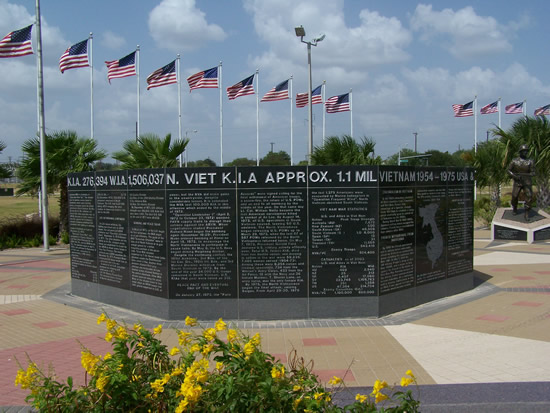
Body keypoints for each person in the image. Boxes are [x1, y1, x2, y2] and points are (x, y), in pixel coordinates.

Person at [507, 144, 535, 220]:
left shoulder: (530, 161)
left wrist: (530, 174)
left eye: (526, 151)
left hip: (527, 181)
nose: (525, 152)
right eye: (524, 151)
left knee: (529, 196)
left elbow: (533, 172)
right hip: (518, 181)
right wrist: (514, 176)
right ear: (520, 152)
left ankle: (526, 213)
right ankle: (514, 208)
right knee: (515, 196)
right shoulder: (514, 161)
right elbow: (509, 170)